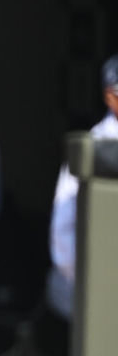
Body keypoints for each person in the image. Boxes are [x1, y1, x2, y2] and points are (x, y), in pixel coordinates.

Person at [47, 53, 118, 319]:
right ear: (111, 96)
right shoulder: (95, 144)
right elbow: (62, 229)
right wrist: (93, 285)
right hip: (101, 288)